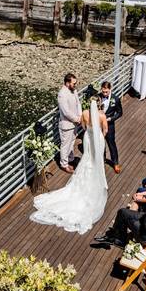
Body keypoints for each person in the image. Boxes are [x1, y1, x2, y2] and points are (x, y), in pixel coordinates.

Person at [31, 96, 109, 233]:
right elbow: (105, 130)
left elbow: (84, 126)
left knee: (87, 158)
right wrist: (100, 138)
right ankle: (98, 178)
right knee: (97, 161)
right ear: (99, 104)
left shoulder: (84, 113)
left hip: (88, 137)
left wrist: (91, 132)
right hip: (97, 139)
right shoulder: (102, 115)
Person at [94, 180, 146, 247]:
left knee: (124, 216)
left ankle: (118, 239)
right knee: (122, 212)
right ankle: (117, 235)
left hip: (145, 234)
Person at [56, 73, 82, 172]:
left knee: (71, 143)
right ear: (67, 83)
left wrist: (79, 115)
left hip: (75, 123)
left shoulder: (73, 90)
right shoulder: (62, 94)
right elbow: (66, 112)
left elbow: (78, 103)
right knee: (65, 145)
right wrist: (77, 119)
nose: (75, 85)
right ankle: (64, 164)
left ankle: (70, 159)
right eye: (74, 83)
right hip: (66, 124)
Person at [99, 81, 123, 174]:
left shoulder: (115, 99)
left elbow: (120, 113)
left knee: (111, 144)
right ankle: (102, 160)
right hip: (99, 125)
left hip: (110, 125)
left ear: (110, 89)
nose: (104, 93)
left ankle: (115, 163)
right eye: (103, 91)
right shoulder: (98, 97)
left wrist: (110, 119)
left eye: (106, 92)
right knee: (101, 143)